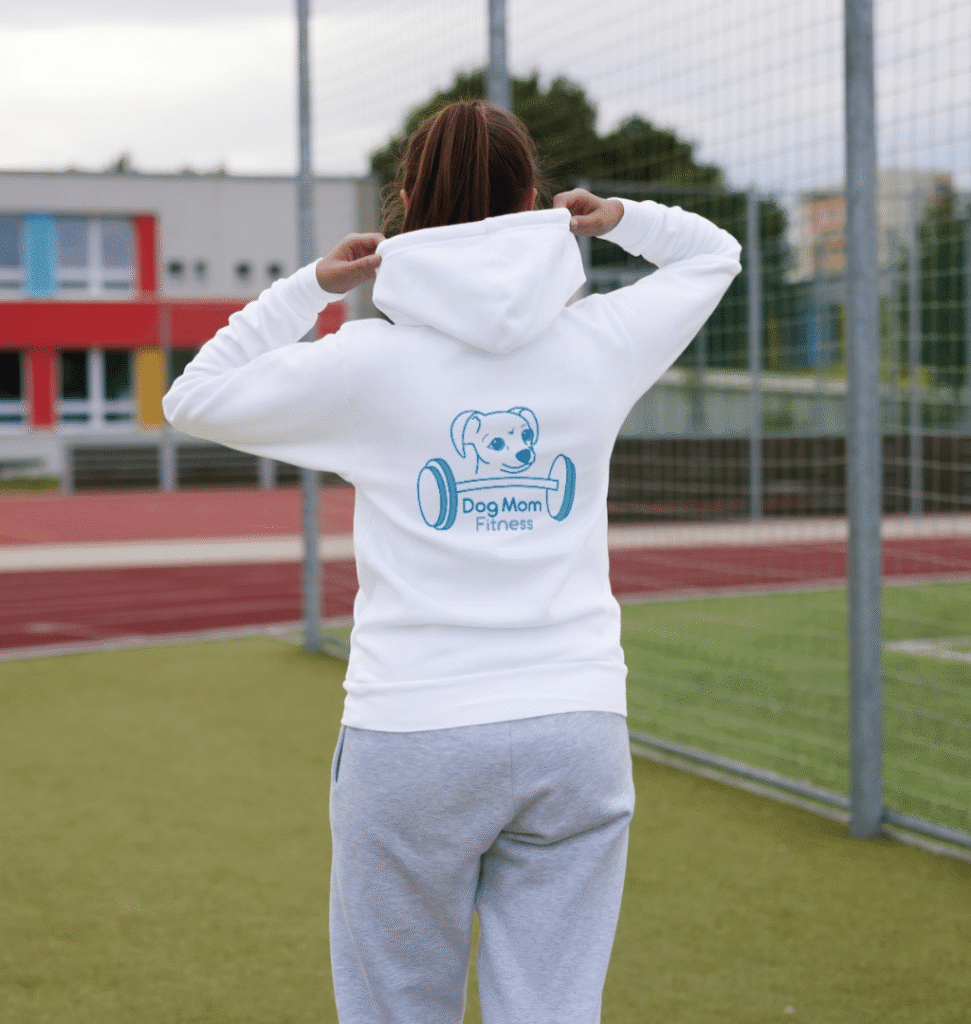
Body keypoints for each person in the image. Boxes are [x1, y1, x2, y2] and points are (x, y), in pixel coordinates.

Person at [162, 99, 741, 1024]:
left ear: (403, 204)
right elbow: (715, 255)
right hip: (573, 723)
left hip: (412, 730)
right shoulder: (597, 345)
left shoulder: (367, 363)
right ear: (536, 198)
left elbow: (193, 398)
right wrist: (622, 220)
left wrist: (309, 287)